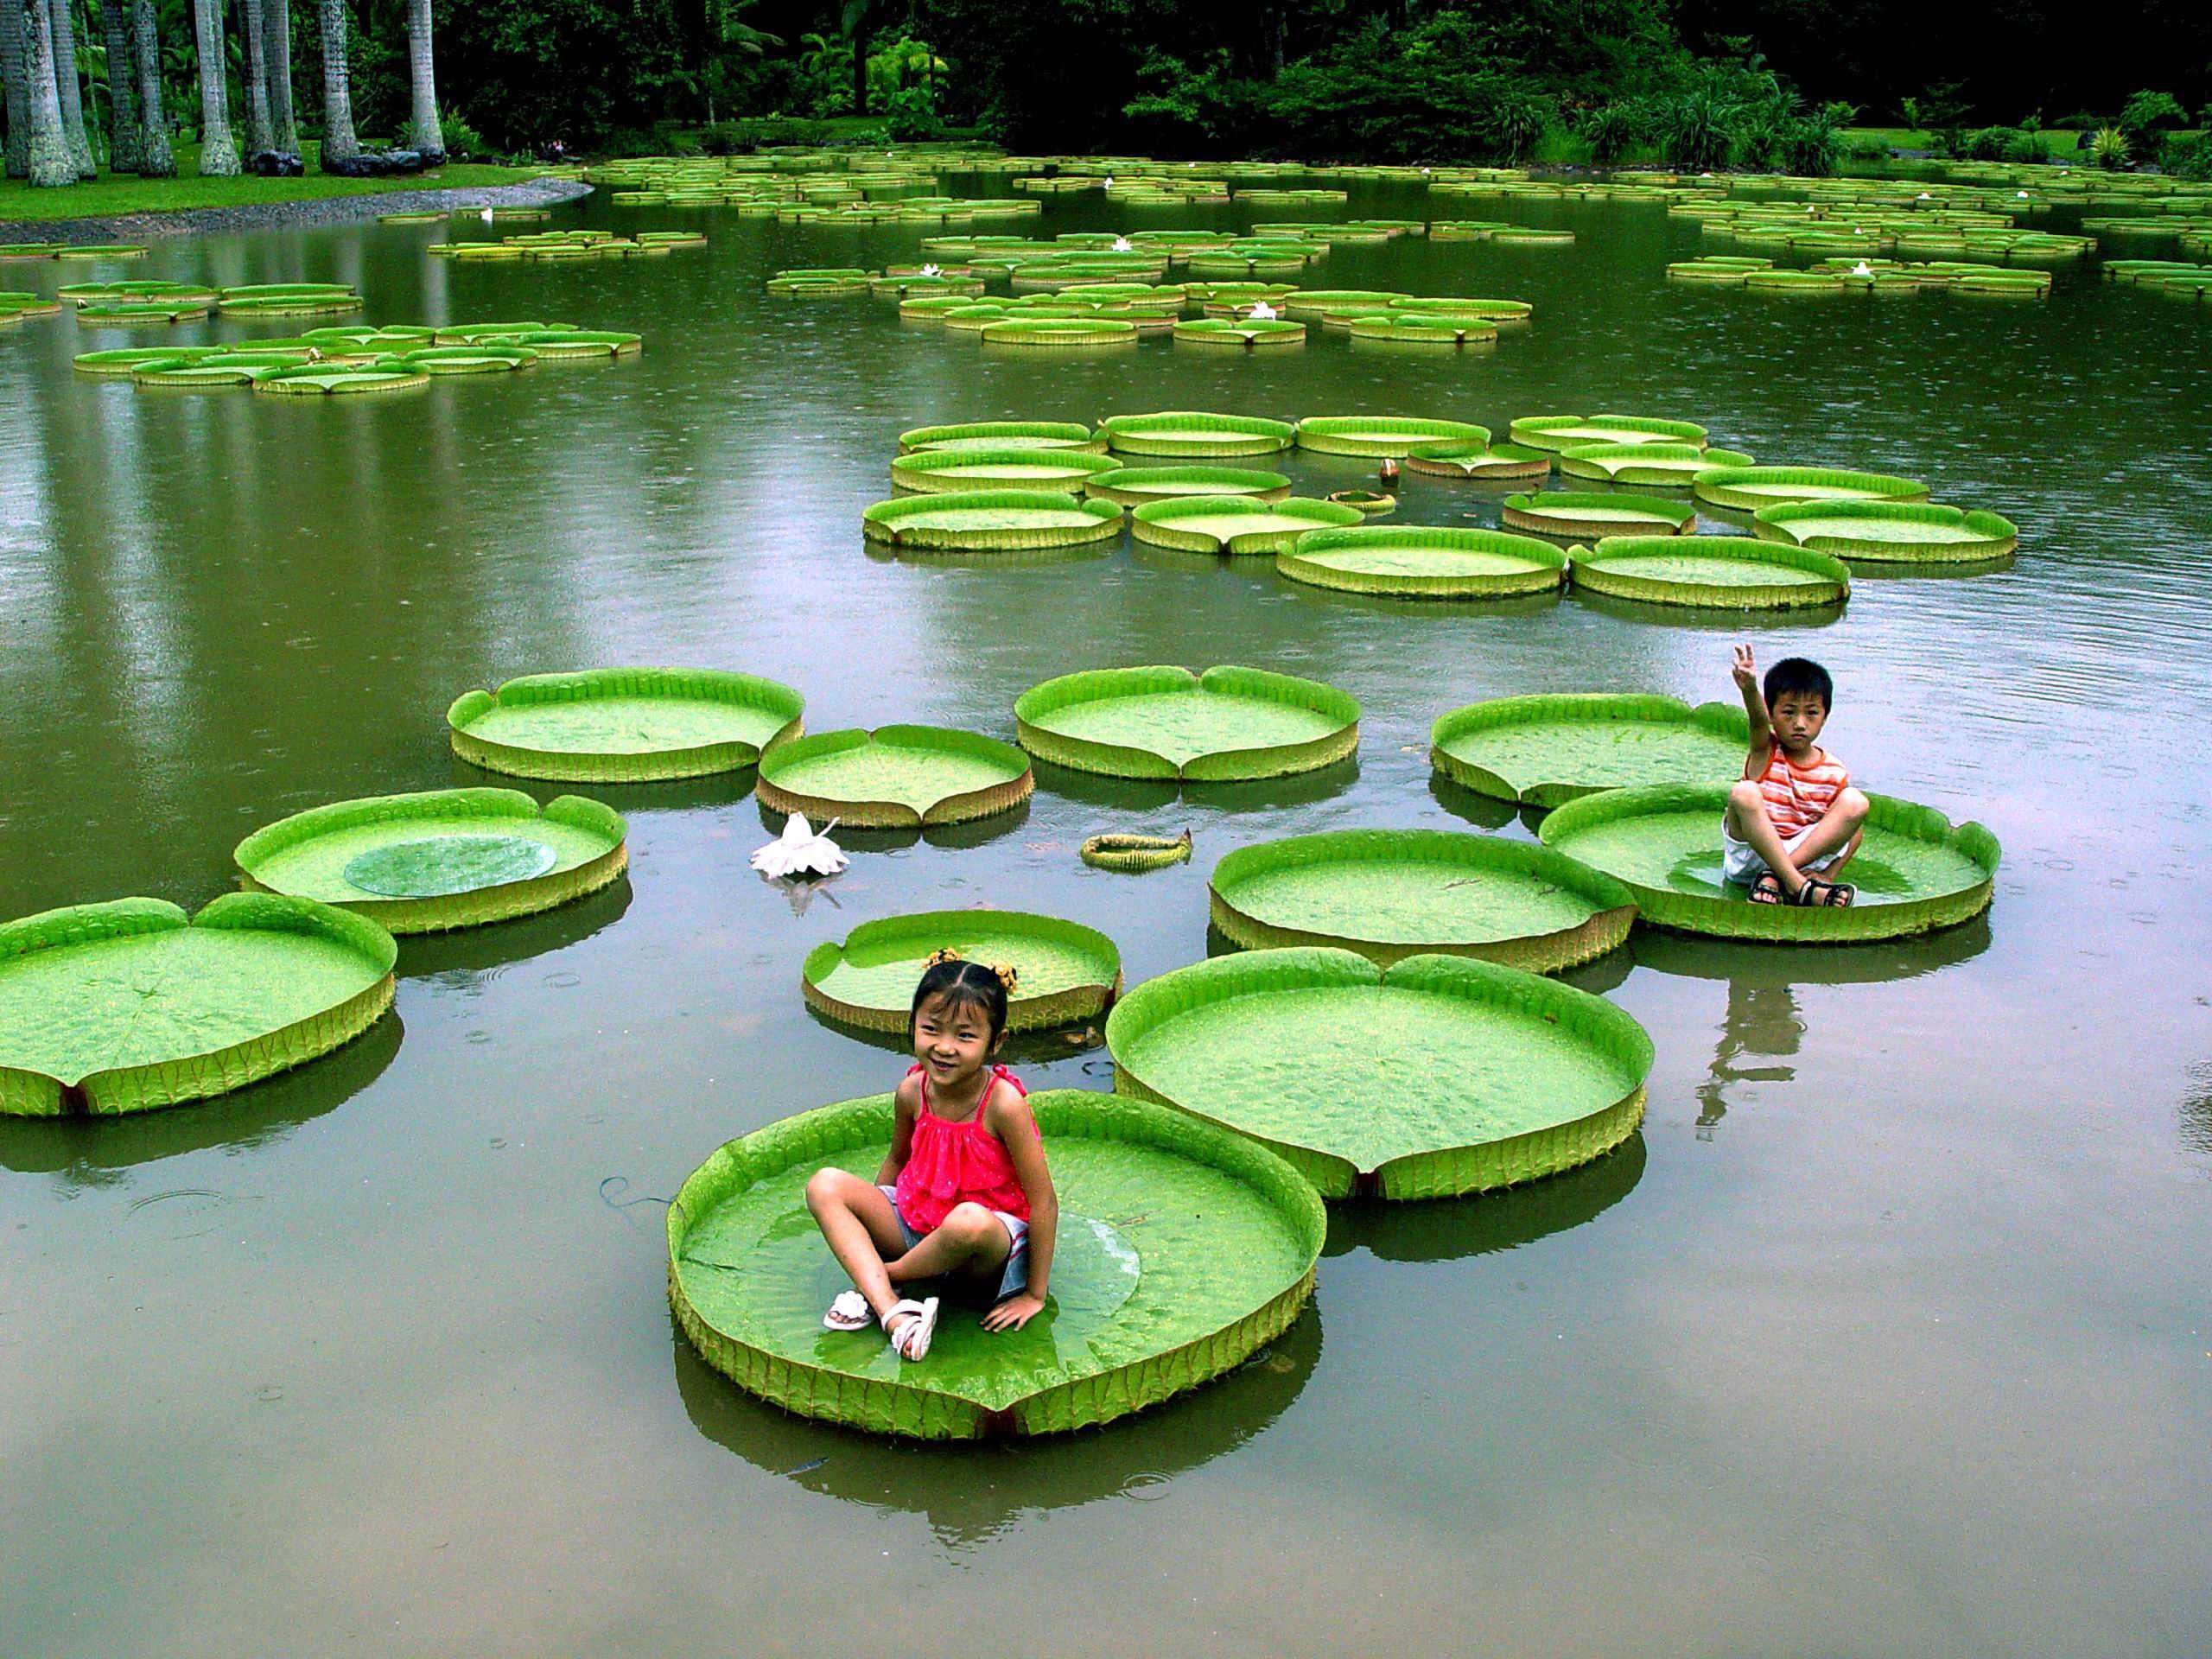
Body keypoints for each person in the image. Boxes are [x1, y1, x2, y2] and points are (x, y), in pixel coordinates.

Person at [804, 954, 1056, 1362]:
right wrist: (870, 1226)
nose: (944, 1047)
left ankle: (880, 1280)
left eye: (965, 1036)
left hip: (980, 1252)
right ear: (912, 1026)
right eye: (931, 1029)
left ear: (996, 1042)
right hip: (917, 1225)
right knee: (824, 1184)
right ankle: (893, 1315)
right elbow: (895, 1163)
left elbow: (1043, 1200)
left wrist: (1034, 1294)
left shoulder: (1004, 1104)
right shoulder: (911, 1092)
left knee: (967, 1220)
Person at [1724, 645, 1869, 907]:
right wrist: (1748, 688)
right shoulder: (1765, 750)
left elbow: (1854, 831)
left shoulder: (1833, 772)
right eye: (1788, 712)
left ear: (1825, 717)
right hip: (1752, 856)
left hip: (1800, 858)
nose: (1800, 723)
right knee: (1744, 792)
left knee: (1855, 803)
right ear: (1772, 714)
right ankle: (1797, 885)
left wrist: (1828, 874)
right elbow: (1757, 721)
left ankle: (1778, 877)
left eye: (1811, 713)